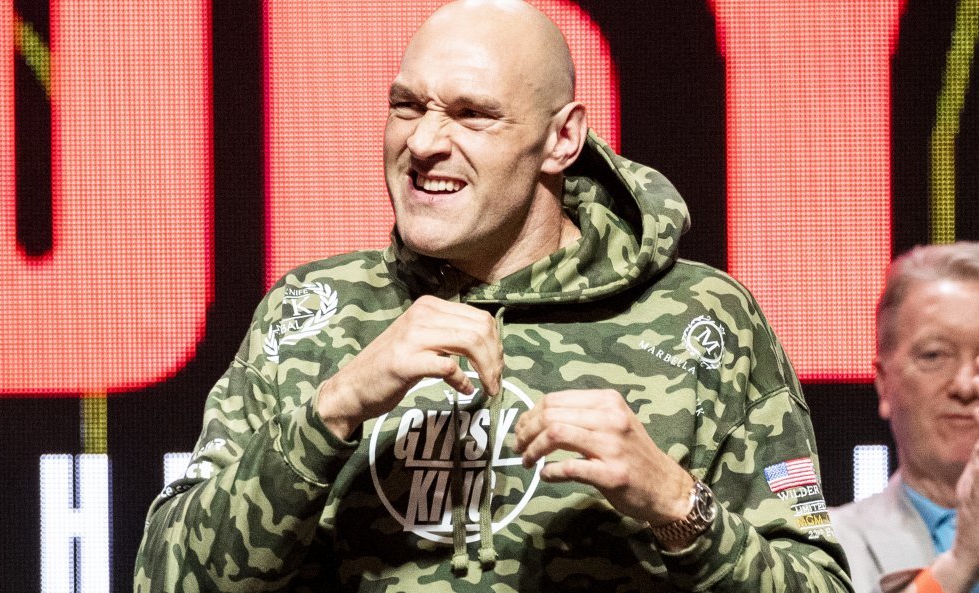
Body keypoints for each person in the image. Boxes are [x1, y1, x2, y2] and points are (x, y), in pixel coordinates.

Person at [134, 1, 852, 590]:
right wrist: (332, 410)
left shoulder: (705, 320)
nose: (423, 143)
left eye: (472, 114)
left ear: (562, 138)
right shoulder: (311, 311)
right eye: (406, 106)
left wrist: (674, 502)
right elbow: (164, 578)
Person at [831, 242, 979, 593]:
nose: (966, 385)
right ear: (884, 385)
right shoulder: (827, 547)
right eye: (934, 355)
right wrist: (960, 562)